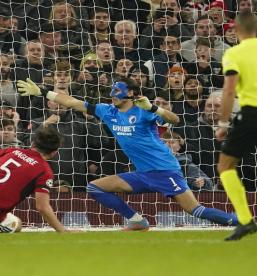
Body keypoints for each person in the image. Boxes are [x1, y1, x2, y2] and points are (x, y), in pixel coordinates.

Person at [17, 77, 238, 231]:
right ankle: (137, 221)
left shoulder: (143, 111)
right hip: (142, 173)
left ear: (130, 93)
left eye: (118, 90)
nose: (113, 94)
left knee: (194, 210)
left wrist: (153, 108)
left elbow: (175, 120)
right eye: (112, 90)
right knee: (95, 187)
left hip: (165, 170)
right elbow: (71, 102)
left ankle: (238, 221)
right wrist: (43, 91)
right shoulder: (107, 111)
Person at [215, 12, 257, 241]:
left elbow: (229, 89)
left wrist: (222, 123)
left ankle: (245, 219)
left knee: (226, 166)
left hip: (251, 113)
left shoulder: (234, 53)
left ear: (237, 30)